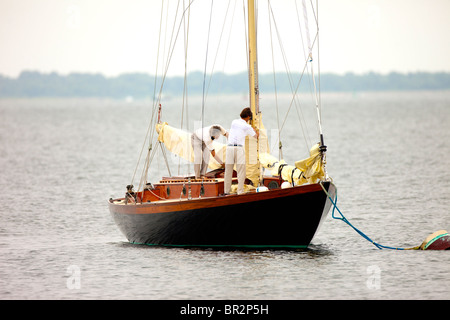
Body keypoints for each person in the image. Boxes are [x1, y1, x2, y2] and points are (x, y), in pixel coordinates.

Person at [224, 107, 259, 195]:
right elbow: (256, 136)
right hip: (239, 148)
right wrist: (254, 128)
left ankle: (226, 192)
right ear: (248, 117)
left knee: (228, 171)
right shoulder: (247, 126)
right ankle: (240, 192)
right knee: (241, 171)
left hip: (230, 148)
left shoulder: (234, 122)